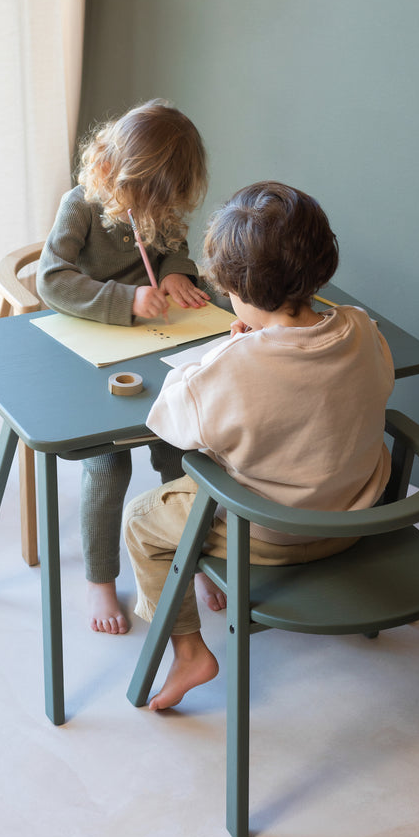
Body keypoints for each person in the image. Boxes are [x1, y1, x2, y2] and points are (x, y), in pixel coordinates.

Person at [123, 181, 395, 709]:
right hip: (356, 519)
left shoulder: (234, 368)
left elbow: (170, 419)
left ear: (236, 290)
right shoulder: (363, 329)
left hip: (271, 536)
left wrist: (225, 356)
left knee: (141, 520)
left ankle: (189, 652)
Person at [36, 99, 210, 635]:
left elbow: (174, 245)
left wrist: (179, 273)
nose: (158, 208)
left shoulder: (159, 206)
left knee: (178, 445)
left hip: (153, 346)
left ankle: (190, 557)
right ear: (115, 169)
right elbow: (51, 279)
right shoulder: (82, 204)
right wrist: (125, 301)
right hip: (93, 347)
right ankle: (101, 579)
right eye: (148, 195)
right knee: (107, 466)